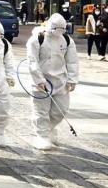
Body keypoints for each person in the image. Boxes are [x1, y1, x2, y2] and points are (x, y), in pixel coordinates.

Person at [27, 13, 79, 150]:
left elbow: (72, 61)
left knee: (60, 110)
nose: (59, 32)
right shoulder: (37, 39)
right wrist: (39, 79)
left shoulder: (67, 40)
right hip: (41, 82)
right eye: (57, 29)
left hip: (60, 81)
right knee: (41, 111)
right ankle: (41, 136)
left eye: (62, 29)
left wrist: (72, 79)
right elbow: (32, 61)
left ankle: (49, 129)